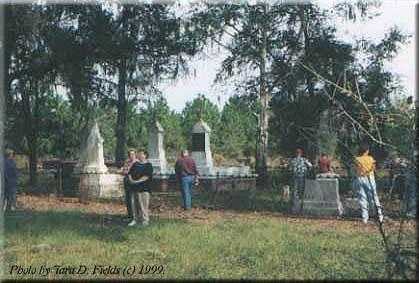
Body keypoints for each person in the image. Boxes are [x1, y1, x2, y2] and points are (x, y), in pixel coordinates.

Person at [353, 144, 384, 224]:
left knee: (362, 198)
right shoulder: (370, 158)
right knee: (373, 197)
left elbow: (355, 169)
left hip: (360, 178)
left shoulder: (356, 159)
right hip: (369, 178)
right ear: (366, 151)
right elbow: (373, 168)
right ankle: (379, 216)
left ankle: (365, 218)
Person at [126, 150, 153, 227]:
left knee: (143, 206)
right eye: (139, 154)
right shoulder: (135, 164)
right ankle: (135, 220)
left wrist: (137, 181)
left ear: (145, 155)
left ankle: (145, 220)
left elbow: (146, 177)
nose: (139, 155)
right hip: (134, 188)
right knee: (134, 205)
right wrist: (131, 180)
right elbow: (129, 173)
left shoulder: (148, 165)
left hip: (144, 189)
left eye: (141, 154)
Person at [121, 149, 138, 221]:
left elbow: (130, 172)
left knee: (133, 200)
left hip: (133, 182)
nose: (131, 156)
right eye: (130, 154)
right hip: (126, 181)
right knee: (128, 199)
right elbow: (124, 171)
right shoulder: (127, 161)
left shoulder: (137, 162)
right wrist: (126, 171)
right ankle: (129, 216)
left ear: (135, 154)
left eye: (133, 154)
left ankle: (135, 217)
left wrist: (126, 171)